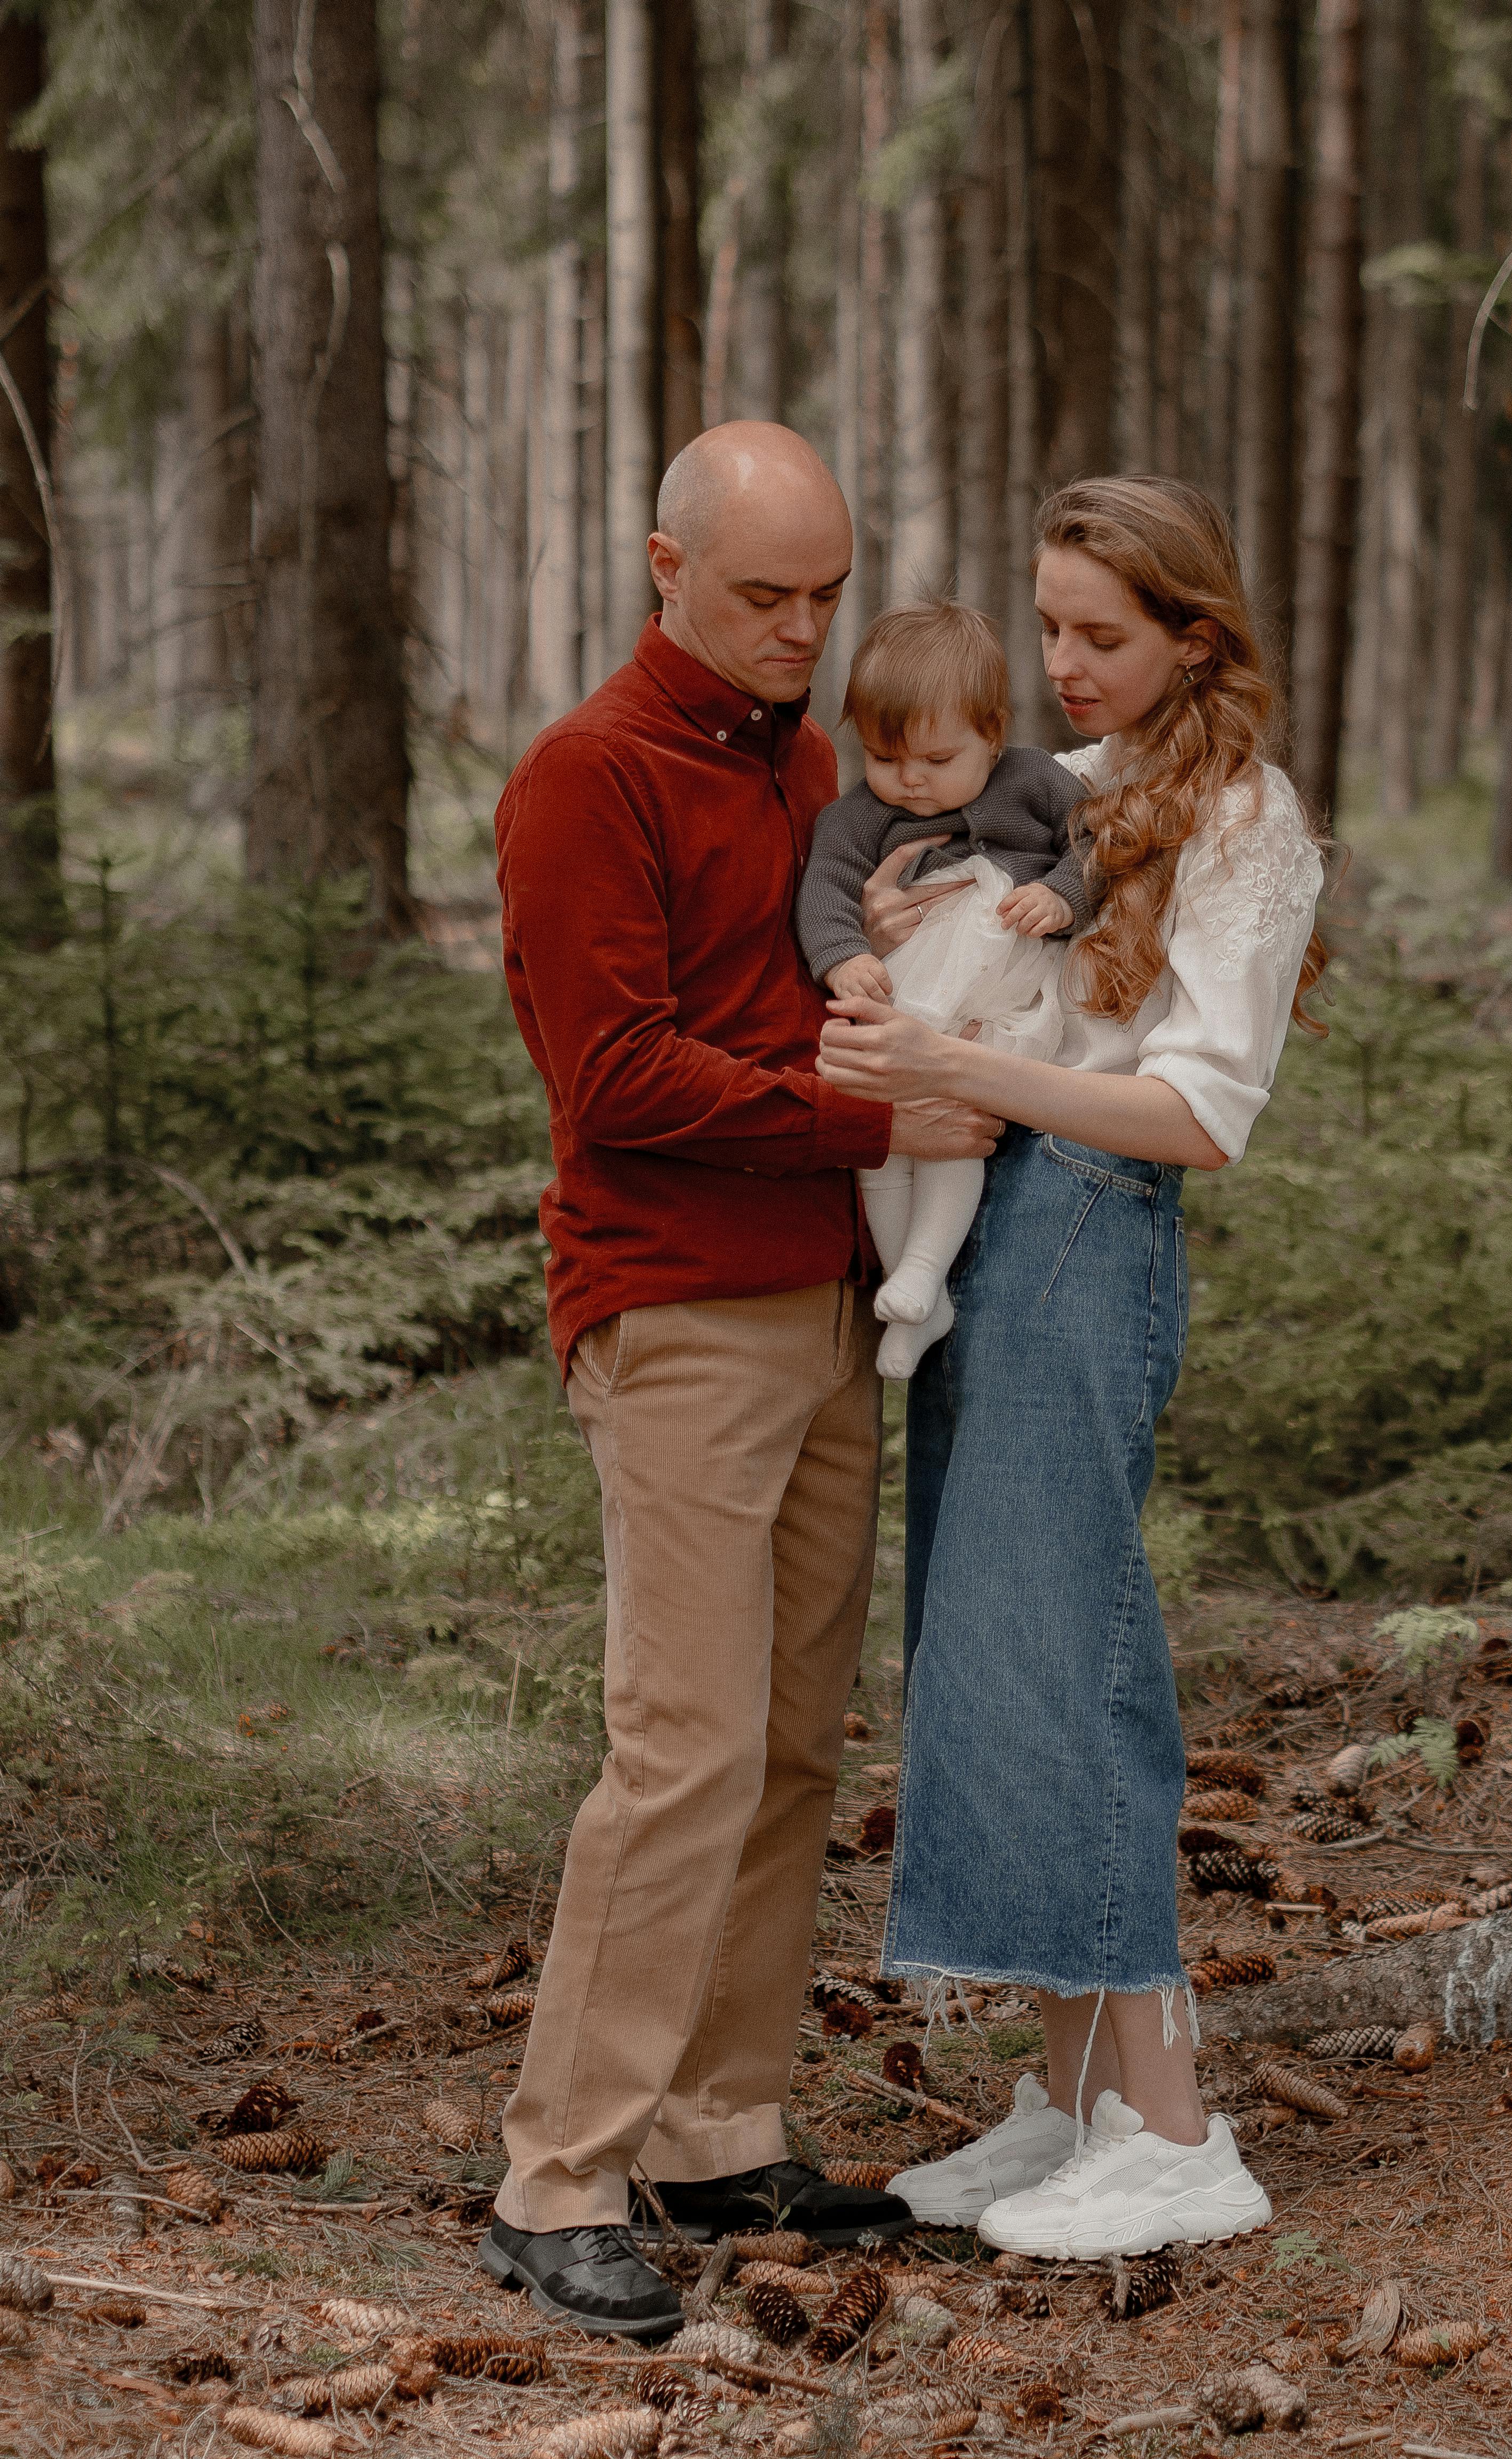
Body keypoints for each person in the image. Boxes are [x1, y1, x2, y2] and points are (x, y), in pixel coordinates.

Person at [481, 421, 1000, 2337]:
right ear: (663, 567)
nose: (800, 629)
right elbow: (611, 1074)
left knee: (789, 1744)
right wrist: (846, 1105)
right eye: (764, 594)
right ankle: (557, 2171)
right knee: (682, 1742)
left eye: (824, 594)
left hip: (829, 1298)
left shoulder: (804, 764)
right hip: (677, 1307)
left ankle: (716, 2123)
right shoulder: (583, 775)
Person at [816, 475, 1328, 2262]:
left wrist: (979, 1090)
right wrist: (895, 937)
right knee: (983, 1642)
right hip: (989, 1227)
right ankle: (1070, 2095)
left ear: (1198, 630)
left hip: (1092, 1226)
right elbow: (974, 972)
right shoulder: (1066, 794)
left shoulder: (1246, 818)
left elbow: (1198, 1108)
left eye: (1100, 635)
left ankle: (1173, 2126)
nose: (1063, 665)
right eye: (1047, 628)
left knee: (1070, 1643)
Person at [797, 599, 1090, 1378]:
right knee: (884, 1132)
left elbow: (1099, 843)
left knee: (957, 1118)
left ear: (992, 733)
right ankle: (914, 1289)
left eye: (934, 759)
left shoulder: (1036, 779)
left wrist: (1065, 893)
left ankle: (928, 1267)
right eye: (887, 759)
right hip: (916, 990)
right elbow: (825, 886)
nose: (911, 781)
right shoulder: (862, 816)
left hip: (1002, 993)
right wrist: (841, 956)